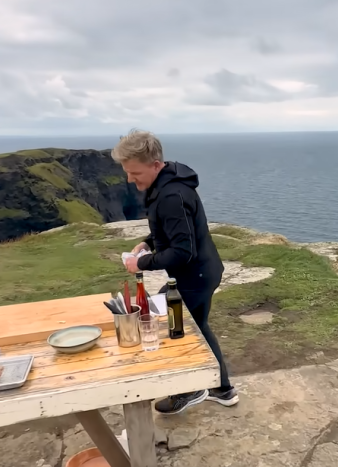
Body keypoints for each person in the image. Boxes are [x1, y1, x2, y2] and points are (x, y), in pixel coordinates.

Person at [112, 129, 238, 415]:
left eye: (135, 173)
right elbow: (175, 231)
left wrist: (140, 264)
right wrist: (148, 242)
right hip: (203, 272)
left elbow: (183, 252)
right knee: (199, 328)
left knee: (173, 327)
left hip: (194, 277)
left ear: (155, 164)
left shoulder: (171, 195)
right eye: (127, 173)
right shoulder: (169, 183)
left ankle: (190, 389)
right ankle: (223, 388)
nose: (131, 180)